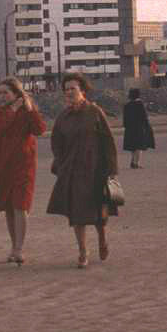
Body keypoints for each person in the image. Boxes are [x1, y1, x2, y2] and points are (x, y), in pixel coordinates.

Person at [46, 72, 119, 269]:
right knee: (76, 215)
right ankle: (82, 251)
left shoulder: (94, 112)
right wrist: (61, 165)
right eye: (66, 89)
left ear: (83, 91)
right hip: (72, 171)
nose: (69, 92)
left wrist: (112, 169)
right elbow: (56, 144)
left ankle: (102, 239)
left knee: (98, 213)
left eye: (73, 89)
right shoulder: (63, 117)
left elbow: (108, 142)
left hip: (95, 170)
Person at [0, 77, 46, 265]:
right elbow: (1, 125)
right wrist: (13, 109)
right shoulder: (1, 111)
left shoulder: (27, 110)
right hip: (3, 164)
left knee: (21, 205)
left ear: (16, 94)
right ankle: (14, 246)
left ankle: (19, 249)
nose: (1, 96)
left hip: (23, 165)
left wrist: (30, 108)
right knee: (9, 207)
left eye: (5, 92)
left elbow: (40, 129)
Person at [121, 88, 155, 169]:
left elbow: (125, 119)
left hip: (130, 129)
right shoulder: (140, 104)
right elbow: (144, 117)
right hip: (139, 128)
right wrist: (147, 126)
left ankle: (133, 161)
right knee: (139, 146)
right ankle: (136, 163)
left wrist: (126, 126)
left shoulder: (127, 105)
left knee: (132, 146)